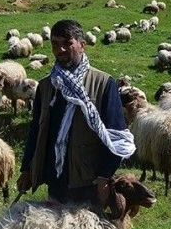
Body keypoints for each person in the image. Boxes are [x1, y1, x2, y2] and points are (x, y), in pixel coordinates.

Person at [17, 19, 135, 208]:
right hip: (56, 178)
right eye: (55, 44)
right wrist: (27, 169)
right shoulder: (47, 86)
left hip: (88, 181)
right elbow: (36, 130)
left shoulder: (103, 84)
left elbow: (117, 137)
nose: (60, 49)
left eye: (67, 43)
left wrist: (104, 177)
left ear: (82, 45)